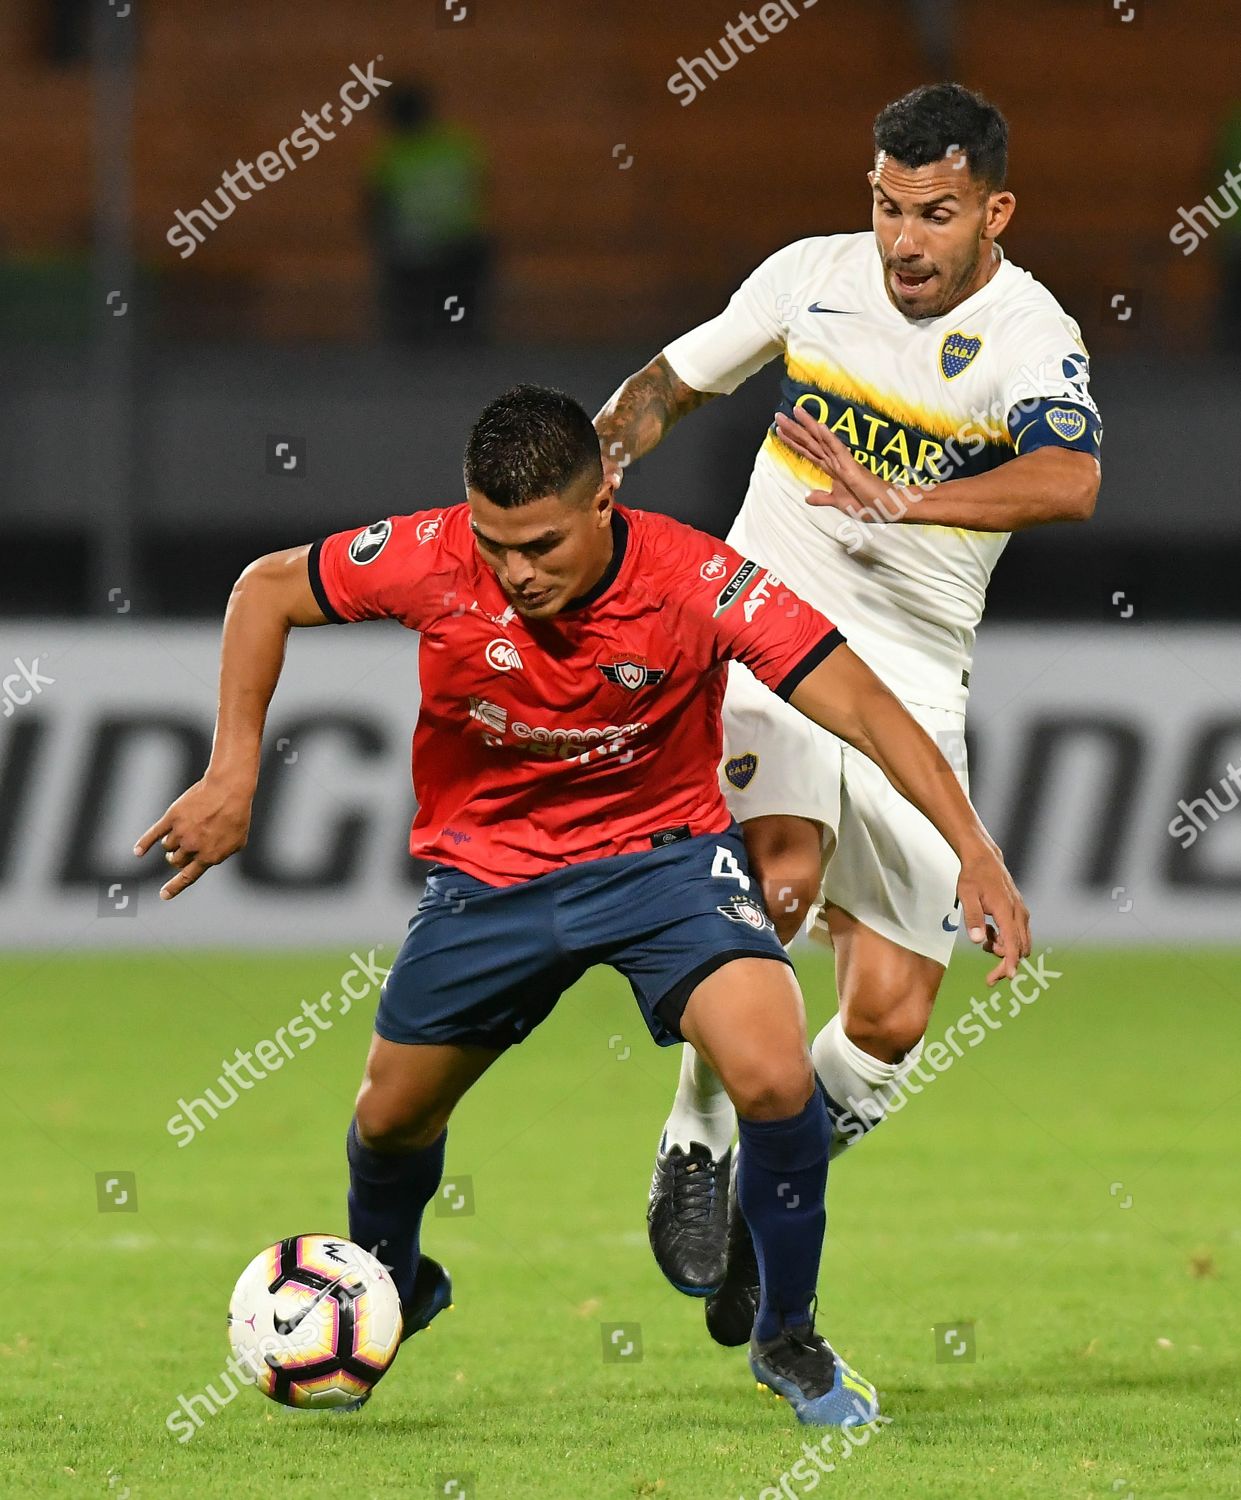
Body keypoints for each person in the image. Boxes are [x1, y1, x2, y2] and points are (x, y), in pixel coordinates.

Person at [134, 384, 1028, 1427]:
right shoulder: (430, 557)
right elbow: (266, 588)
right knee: (388, 1119)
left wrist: (972, 847)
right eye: (495, 542)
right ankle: (390, 1283)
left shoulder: (696, 580)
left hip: (665, 865)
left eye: (541, 544)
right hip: (488, 878)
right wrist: (233, 769)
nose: (515, 572)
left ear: (603, 495)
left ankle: (788, 1336)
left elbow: (864, 703)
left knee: (774, 1072)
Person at [595, 82, 1101, 1342]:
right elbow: (673, 378)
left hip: (918, 672)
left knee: (887, 1017)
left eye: (931, 214)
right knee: (773, 881)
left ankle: (773, 1202)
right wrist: (604, 453)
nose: (900, 241)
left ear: (995, 211)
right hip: (768, 631)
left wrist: (909, 501)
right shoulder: (808, 279)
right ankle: (699, 1134)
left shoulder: (1030, 332)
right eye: (883, 207)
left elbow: (1069, 476)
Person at [366, 81, 490, 341]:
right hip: (459, 247)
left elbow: (376, 207)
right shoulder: (458, 145)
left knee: (402, 258)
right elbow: (477, 188)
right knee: (463, 269)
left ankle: (417, 326)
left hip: (417, 251)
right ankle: (457, 322)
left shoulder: (390, 155)